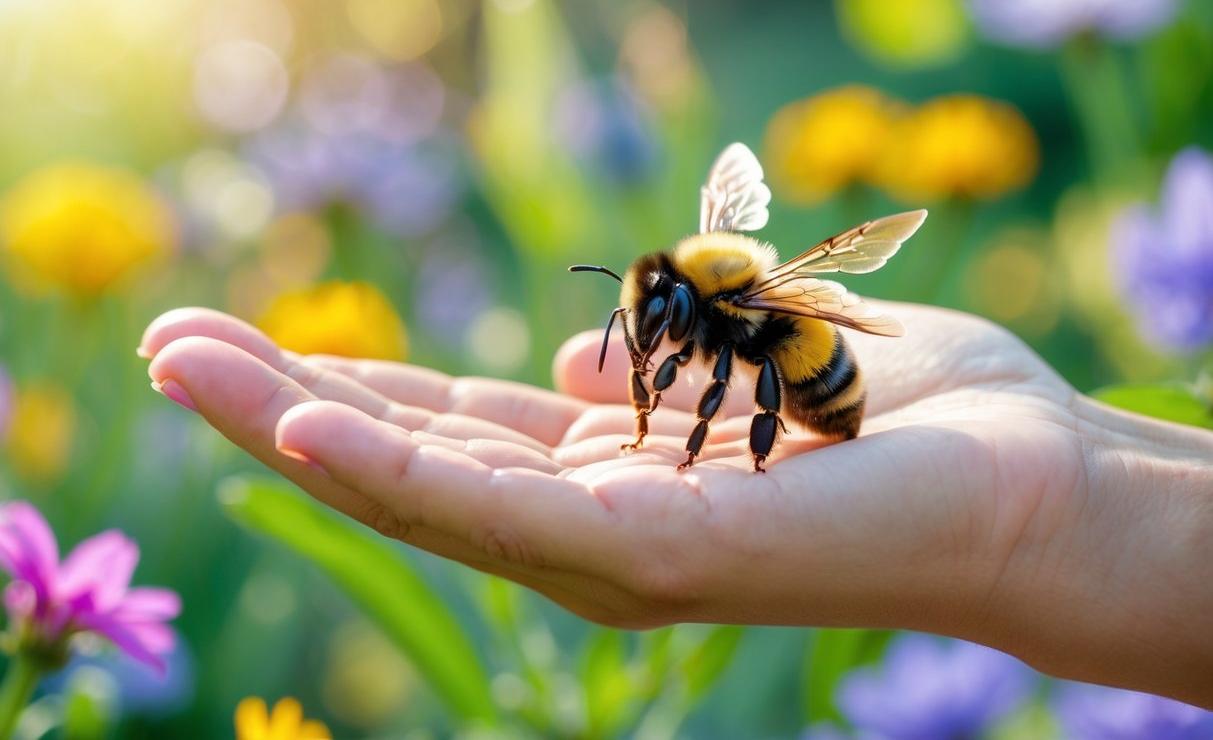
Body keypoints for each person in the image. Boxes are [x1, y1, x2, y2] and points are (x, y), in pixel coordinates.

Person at [139, 303, 1213, 709]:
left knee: (742, 380)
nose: (645, 331)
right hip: (828, 374)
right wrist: (1067, 487)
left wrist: (1049, 501)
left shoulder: (727, 316)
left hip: (823, 377)